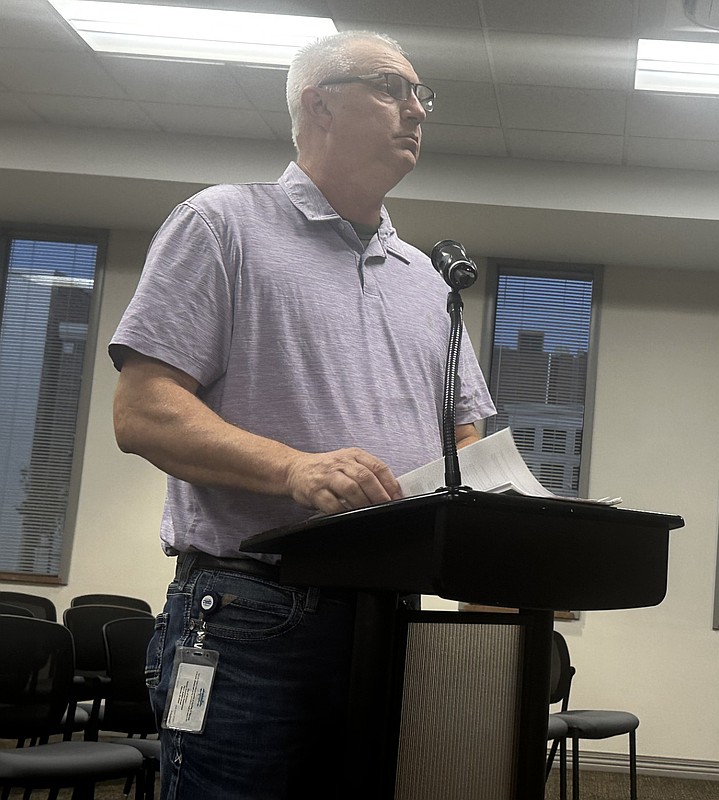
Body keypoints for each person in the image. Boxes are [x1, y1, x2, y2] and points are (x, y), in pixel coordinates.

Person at [109, 30, 496, 799]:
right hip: (253, 612)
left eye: (423, 95)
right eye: (391, 87)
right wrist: (295, 468)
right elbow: (143, 410)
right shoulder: (222, 225)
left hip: (391, 616)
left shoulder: (427, 281)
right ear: (317, 103)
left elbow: (465, 433)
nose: (416, 108)